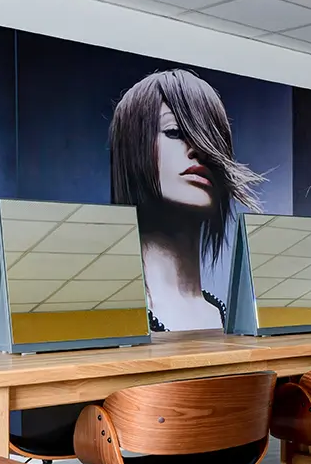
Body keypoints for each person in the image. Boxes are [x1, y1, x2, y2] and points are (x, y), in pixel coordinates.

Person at [110, 69, 262, 332]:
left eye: (211, 138)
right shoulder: (111, 316)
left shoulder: (227, 318)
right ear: (133, 149)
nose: (199, 149)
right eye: (174, 132)